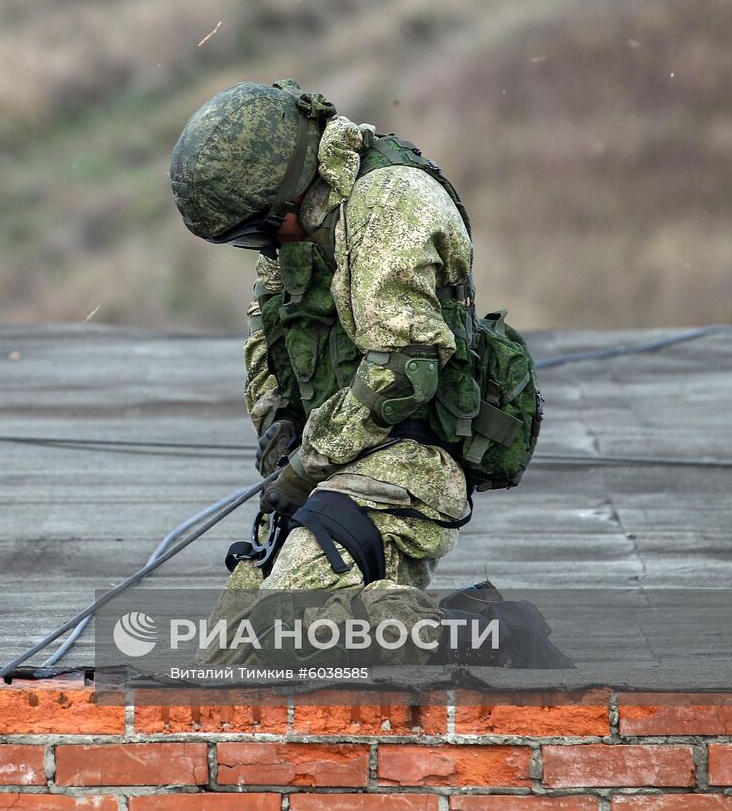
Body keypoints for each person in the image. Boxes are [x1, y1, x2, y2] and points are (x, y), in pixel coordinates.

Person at [169, 79, 568, 668]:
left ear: (286, 195)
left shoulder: (390, 206)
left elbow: (404, 369)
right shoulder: (299, 227)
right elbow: (269, 340)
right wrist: (278, 433)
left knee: (287, 636)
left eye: (257, 232)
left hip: (407, 456)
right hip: (334, 460)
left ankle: (488, 633)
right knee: (225, 654)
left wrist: (307, 466)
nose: (261, 250)